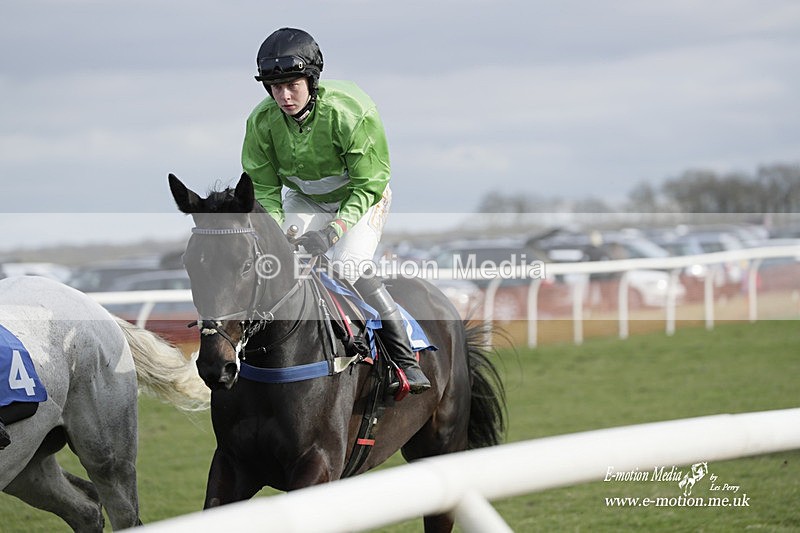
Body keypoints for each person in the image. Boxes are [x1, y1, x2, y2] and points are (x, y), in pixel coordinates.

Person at [241, 27, 430, 394]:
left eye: (292, 85)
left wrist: (332, 232)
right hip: (305, 198)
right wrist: (277, 234)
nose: (284, 96)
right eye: (275, 87)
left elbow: (368, 184)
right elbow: (264, 189)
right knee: (278, 261)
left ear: (311, 81)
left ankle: (404, 357)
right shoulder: (261, 122)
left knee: (347, 266)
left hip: (361, 197)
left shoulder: (350, 112)